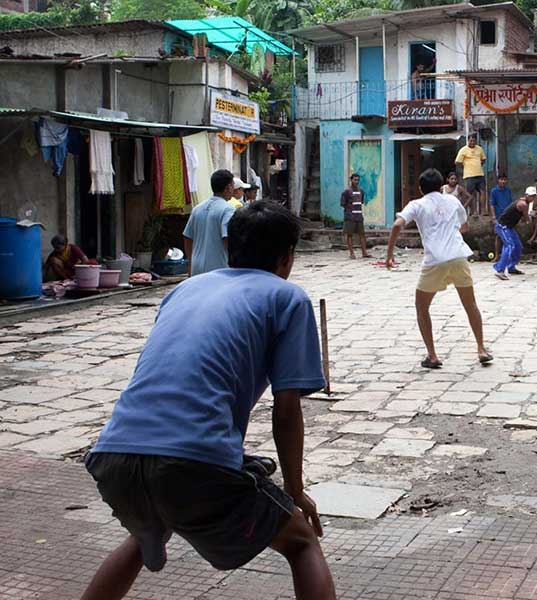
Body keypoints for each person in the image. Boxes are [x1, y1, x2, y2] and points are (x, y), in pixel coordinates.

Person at [80, 201, 336, 600]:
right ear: (288, 257)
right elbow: (287, 410)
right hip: (192, 462)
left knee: (150, 524)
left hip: (114, 457)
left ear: (229, 246)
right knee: (301, 541)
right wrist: (295, 488)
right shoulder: (287, 297)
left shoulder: (185, 289)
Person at [386, 169, 493, 369]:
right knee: (470, 305)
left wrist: (389, 254)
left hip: (434, 260)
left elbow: (396, 225)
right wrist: (450, 232)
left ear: (421, 188)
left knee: (421, 307)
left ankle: (432, 355)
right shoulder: (452, 200)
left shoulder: (416, 204)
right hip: (458, 256)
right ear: (441, 185)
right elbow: (464, 227)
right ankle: (481, 349)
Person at [183, 169, 238, 277]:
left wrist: (191, 262)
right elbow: (227, 238)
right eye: (233, 185)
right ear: (228, 188)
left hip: (196, 268)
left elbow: (187, 237)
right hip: (218, 269)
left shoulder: (197, 209)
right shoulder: (228, 210)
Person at [494, 191, 530, 280]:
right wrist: (528, 220)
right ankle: (500, 270)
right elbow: (526, 219)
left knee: (518, 246)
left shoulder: (524, 202)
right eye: (531, 196)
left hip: (509, 227)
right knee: (510, 246)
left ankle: (511, 267)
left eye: (533, 196)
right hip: (503, 226)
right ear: (526, 195)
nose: (532, 198)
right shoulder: (523, 204)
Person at [454, 134, 487, 216]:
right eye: (470, 141)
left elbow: (483, 159)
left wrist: (478, 165)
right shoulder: (463, 150)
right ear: (468, 141)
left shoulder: (480, 149)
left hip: (480, 174)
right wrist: (465, 167)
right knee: (471, 194)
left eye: (474, 141)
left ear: (476, 141)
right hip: (469, 175)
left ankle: (483, 210)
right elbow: (457, 162)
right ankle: (474, 211)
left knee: (483, 192)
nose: (472, 142)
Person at [341, 173, 371, 260]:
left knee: (362, 234)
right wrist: (349, 210)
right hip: (350, 217)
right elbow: (343, 203)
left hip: (359, 216)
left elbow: (361, 202)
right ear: (351, 180)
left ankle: (364, 252)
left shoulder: (361, 191)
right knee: (349, 235)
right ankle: (352, 253)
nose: (356, 181)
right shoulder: (346, 192)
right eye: (355, 180)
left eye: (358, 180)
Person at [489, 174, 514, 262]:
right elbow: (492, 204)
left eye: (505, 180)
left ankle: (508, 256)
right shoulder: (494, 191)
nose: (503, 182)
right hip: (499, 216)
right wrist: (493, 217)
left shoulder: (508, 190)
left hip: (508, 215)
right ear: (498, 180)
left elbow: (511, 203)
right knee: (498, 236)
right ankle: (497, 255)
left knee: (508, 235)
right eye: (501, 180)